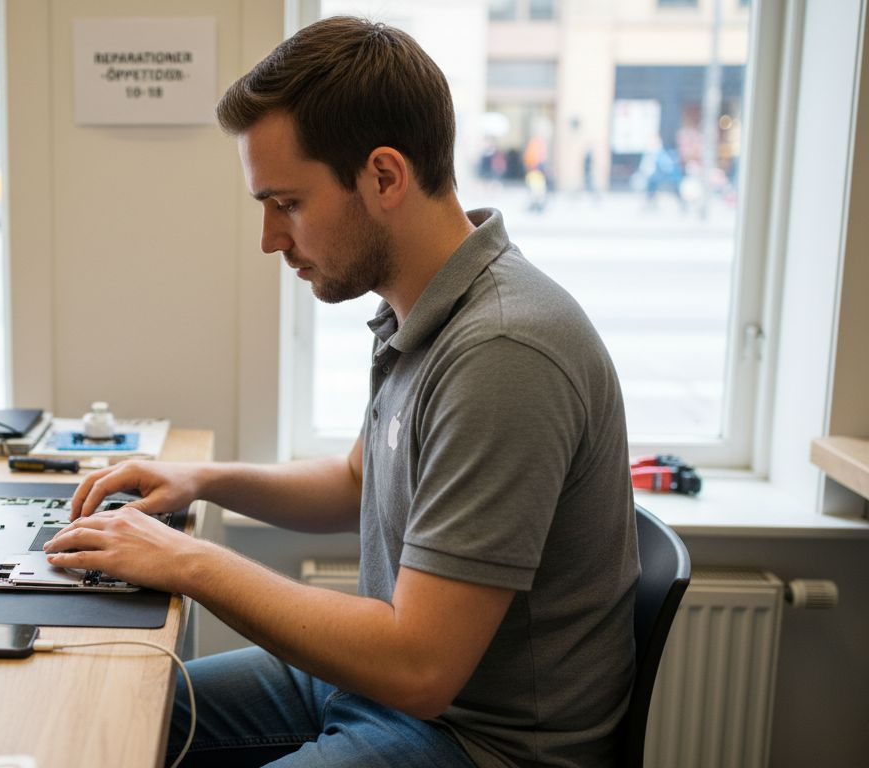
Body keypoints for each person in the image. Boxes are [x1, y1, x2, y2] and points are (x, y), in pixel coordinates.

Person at [45, 16, 638, 768]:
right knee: (105, 713)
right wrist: (198, 480)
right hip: (385, 693)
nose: (269, 238)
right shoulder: (423, 310)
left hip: (475, 740)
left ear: (384, 177)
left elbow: (420, 667)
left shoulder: (502, 351)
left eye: (286, 203)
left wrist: (187, 562)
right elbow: (358, 480)